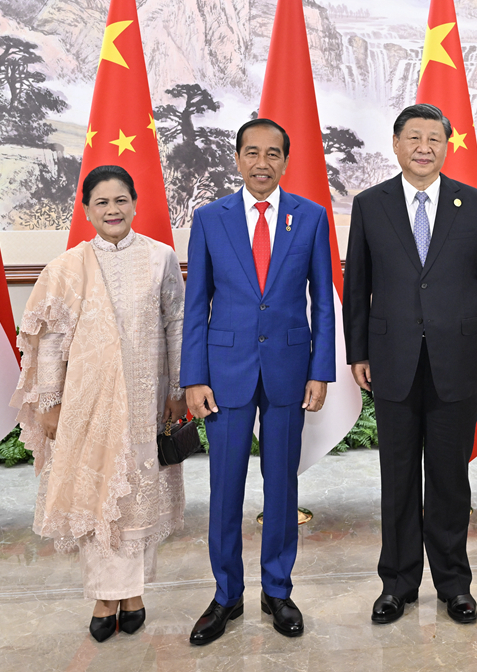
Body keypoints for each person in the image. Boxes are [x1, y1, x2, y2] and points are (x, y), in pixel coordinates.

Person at [343, 103, 477, 625]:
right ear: (396, 145)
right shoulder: (370, 205)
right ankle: (397, 584)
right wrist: (358, 352)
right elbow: (357, 287)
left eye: (433, 138)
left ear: (446, 146)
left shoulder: (475, 205)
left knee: (448, 478)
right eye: (413, 137)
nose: (423, 147)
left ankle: (454, 584)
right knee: (396, 478)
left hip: (456, 360)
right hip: (391, 359)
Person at [11, 165, 187, 642]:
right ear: (87, 210)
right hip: (87, 405)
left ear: (135, 203)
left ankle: (133, 594)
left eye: (121, 200)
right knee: (96, 496)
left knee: (137, 496)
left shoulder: (160, 257)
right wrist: (50, 402)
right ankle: (104, 597)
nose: (113, 210)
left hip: (147, 397)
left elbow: (176, 324)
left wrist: (177, 390)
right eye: (102, 203)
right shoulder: (67, 267)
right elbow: (51, 341)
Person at [181, 118, 335, 644]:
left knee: (282, 484)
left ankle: (277, 590)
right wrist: (194, 377)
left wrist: (320, 370)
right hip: (224, 373)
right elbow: (196, 304)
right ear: (238, 158)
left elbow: (323, 301)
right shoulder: (210, 219)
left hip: (289, 370)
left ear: (285, 161)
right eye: (252, 152)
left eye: (273, 153)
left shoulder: (310, 217)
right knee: (225, 487)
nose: (262, 162)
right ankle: (226, 595)